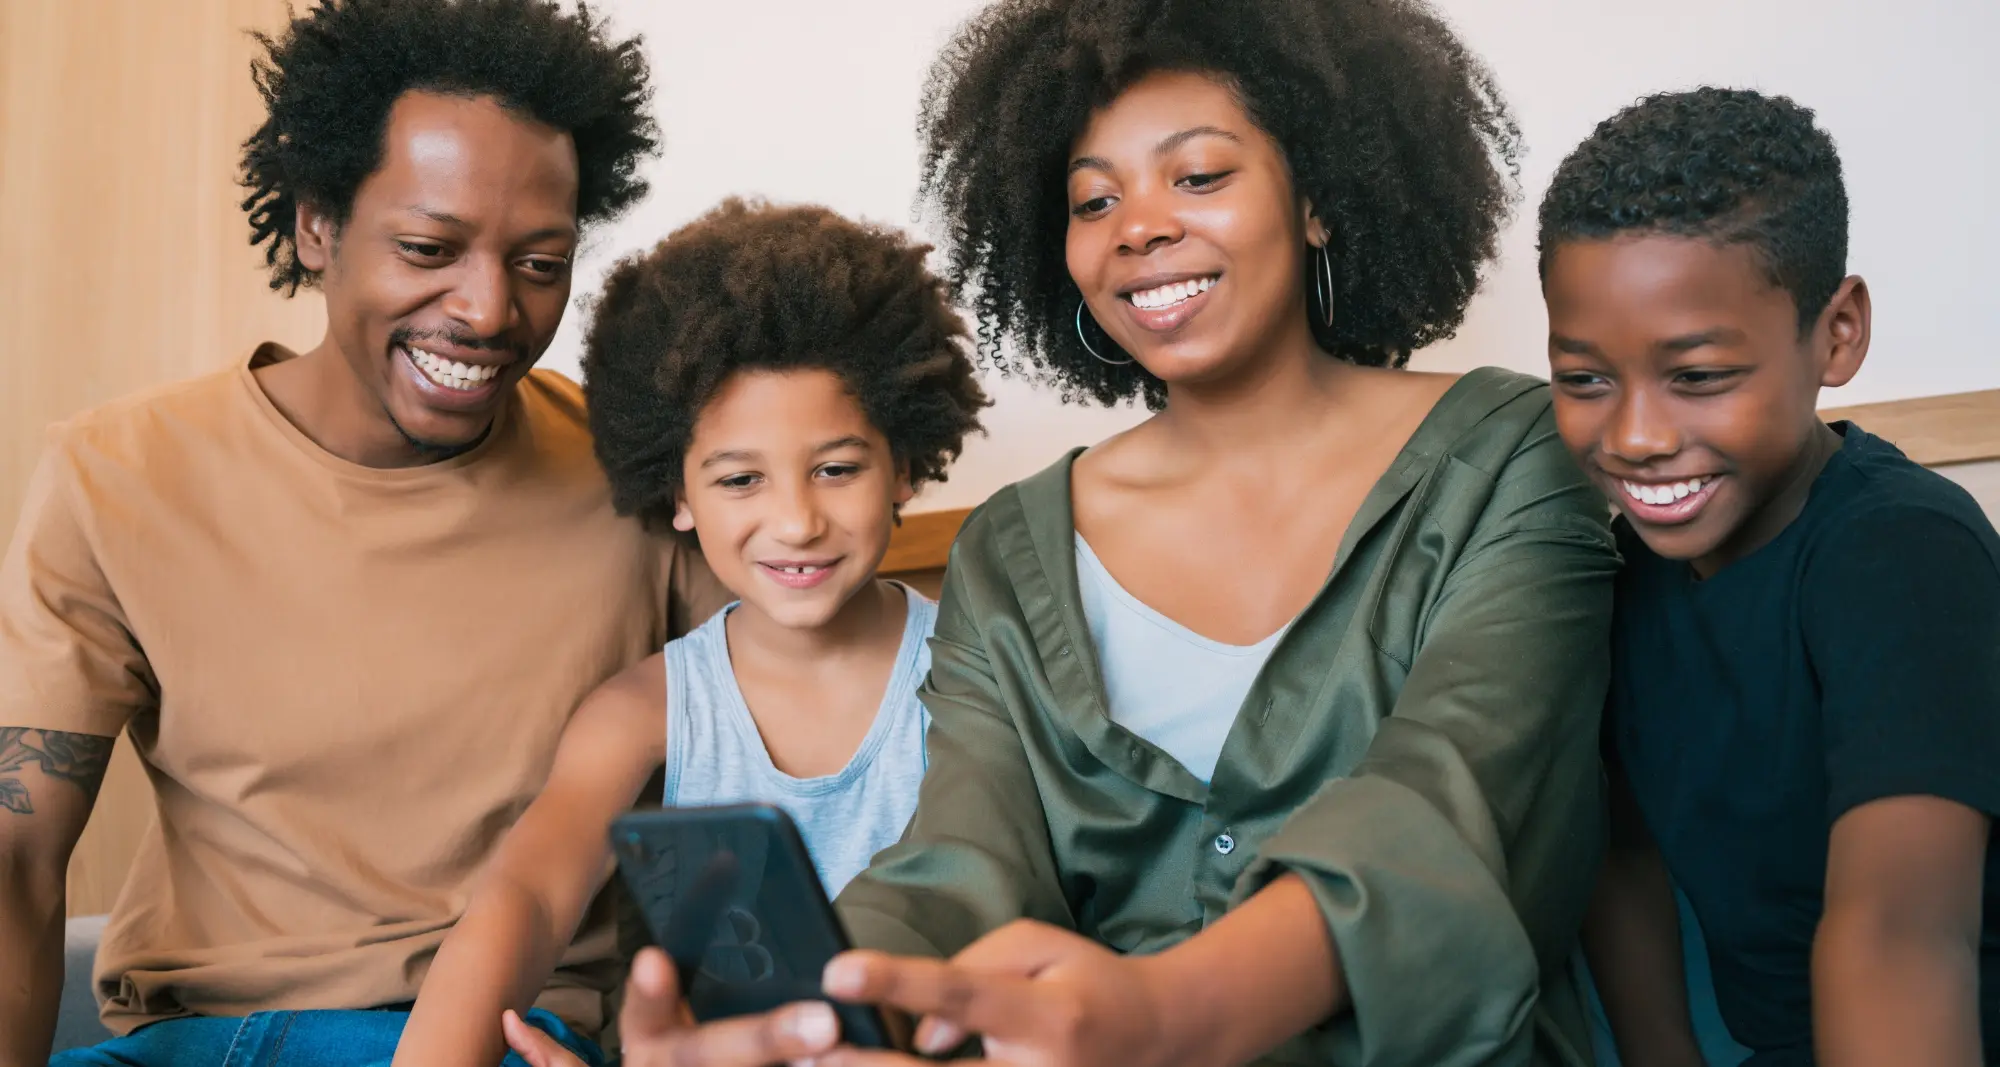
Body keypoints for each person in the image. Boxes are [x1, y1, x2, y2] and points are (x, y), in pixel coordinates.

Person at [510, 1, 1619, 1065]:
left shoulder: (1511, 457)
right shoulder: (1015, 546)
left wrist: (1163, 1014)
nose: (1138, 226)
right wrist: (811, 1012)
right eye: (1093, 201)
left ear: (1317, 194)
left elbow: (1450, 801)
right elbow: (963, 862)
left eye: (1198, 174)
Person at [0, 1, 730, 1064]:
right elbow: (18, 855)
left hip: (510, 1039)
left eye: (538, 262)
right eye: (430, 246)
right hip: (194, 1040)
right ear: (316, 226)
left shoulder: (637, 474)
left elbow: (793, 756)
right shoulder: (115, 471)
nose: (487, 309)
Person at [390, 198, 988, 1066]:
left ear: (902, 465)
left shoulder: (977, 675)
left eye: (836, 468)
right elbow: (528, 892)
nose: (795, 520)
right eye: (740, 478)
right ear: (676, 493)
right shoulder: (644, 708)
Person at [1544, 88, 2000, 1067]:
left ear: (1834, 333)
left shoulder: (1901, 549)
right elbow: (1618, 852)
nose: (1633, 437)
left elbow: (1895, 932)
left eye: (1698, 374)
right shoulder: (1612, 577)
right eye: (1584, 378)